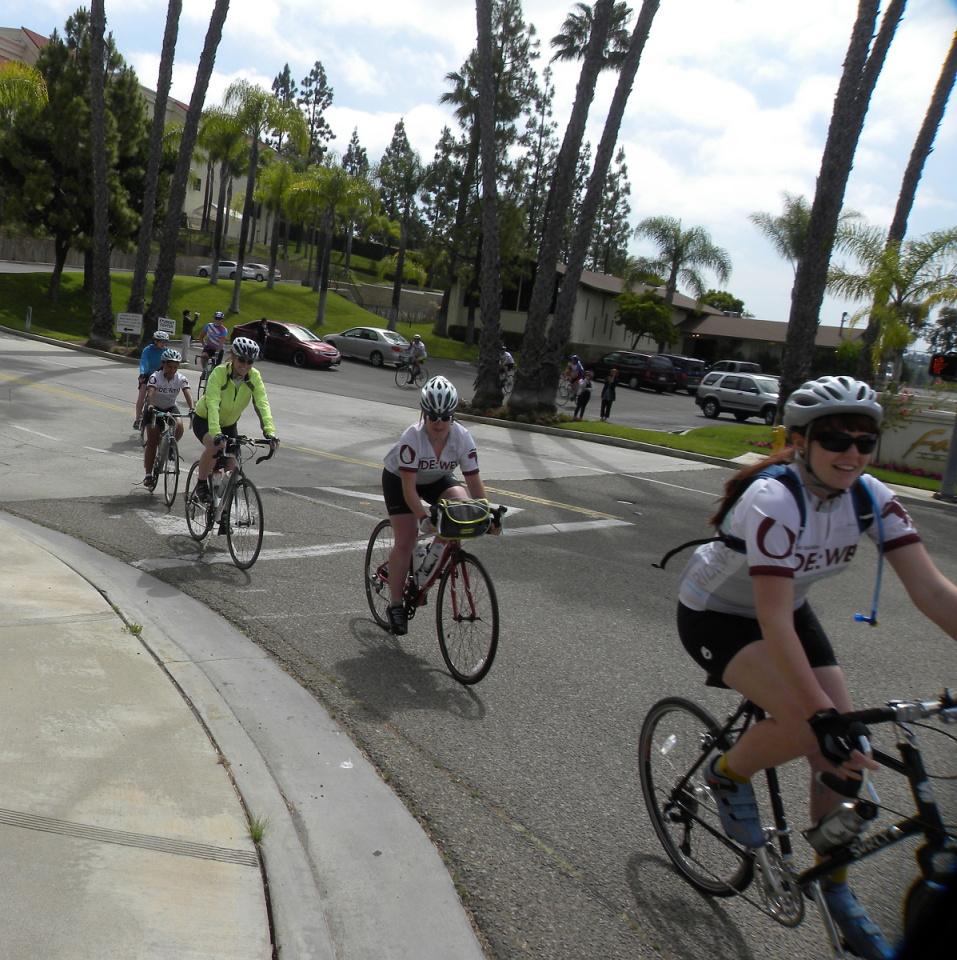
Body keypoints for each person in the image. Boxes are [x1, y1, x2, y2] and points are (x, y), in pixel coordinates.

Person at [675, 376, 957, 960]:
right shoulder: (775, 498)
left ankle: (835, 886)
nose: (852, 452)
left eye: (865, 439)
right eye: (835, 438)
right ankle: (728, 772)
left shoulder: (868, 494)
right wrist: (823, 716)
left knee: (846, 757)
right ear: (801, 440)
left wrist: (835, 721)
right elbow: (770, 619)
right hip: (720, 616)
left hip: (787, 609)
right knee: (816, 727)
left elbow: (932, 592)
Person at [380, 376, 496, 636]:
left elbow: (474, 483)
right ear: (424, 413)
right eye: (433, 416)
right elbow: (410, 489)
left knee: (463, 505)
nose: (439, 423)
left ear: (453, 416)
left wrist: (487, 515)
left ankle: (429, 562)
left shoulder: (462, 437)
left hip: (435, 478)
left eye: (446, 417)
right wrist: (423, 516)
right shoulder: (412, 437)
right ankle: (396, 605)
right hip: (400, 480)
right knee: (406, 539)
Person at [191, 337, 279, 502]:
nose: (245, 365)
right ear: (233, 357)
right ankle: (201, 484)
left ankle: (224, 517)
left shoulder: (254, 377)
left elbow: (262, 404)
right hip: (205, 418)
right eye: (242, 360)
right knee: (213, 445)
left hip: (229, 424)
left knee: (232, 470)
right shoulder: (219, 373)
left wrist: (270, 432)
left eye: (250, 362)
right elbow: (212, 404)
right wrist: (216, 433)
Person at [142, 348, 195, 489]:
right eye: (169, 366)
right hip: (154, 408)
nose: (172, 370)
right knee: (152, 440)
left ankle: (169, 445)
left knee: (179, 425)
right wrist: (151, 406)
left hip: (170, 407)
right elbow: (151, 392)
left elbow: (187, 392)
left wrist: (192, 408)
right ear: (164, 364)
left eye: (175, 367)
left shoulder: (181, 378)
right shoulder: (155, 377)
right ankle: (148, 474)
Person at [133, 330, 171, 429]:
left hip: (158, 375)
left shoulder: (166, 351)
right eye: (162, 342)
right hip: (147, 374)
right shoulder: (148, 349)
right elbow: (143, 362)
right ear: (156, 341)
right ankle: (137, 419)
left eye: (166, 342)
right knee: (141, 396)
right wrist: (142, 374)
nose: (164, 344)